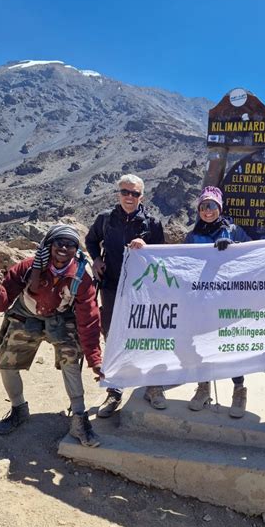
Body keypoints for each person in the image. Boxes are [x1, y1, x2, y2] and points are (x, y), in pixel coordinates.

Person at [0, 225, 101, 447]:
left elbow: (89, 319)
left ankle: (79, 418)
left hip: (60, 319)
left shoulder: (80, 277)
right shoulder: (28, 267)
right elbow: (1, 303)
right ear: (50, 245)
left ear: (75, 249)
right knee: (7, 361)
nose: (63, 248)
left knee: (70, 358)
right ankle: (19, 408)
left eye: (70, 245)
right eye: (59, 243)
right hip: (26, 315)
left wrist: (94, 358)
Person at [86, 174, 165, 417]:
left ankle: (152, 386)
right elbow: (90, 241)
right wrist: (97, 259)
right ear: (118, 193)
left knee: (146, 334)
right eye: (125, 192)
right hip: (111, 287)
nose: (129, 197)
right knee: (113, 335)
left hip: (141, 290)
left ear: (142, 196)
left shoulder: (152, 223)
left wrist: (146, 245)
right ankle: (115, 389)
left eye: (135, 193)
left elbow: (162, 254)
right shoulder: (105, 219)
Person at [185, 186, 251, 418]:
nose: (207, 211)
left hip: (229, 299)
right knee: (203, 344)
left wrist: (232, 249)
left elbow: (253, 256)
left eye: (211, 205)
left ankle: (239, 389)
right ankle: (204, 387)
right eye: (203, 206)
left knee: (230, 345)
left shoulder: (233, 230)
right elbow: (184, 263)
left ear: (219, 208)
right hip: (202, 300)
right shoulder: (193, 235)